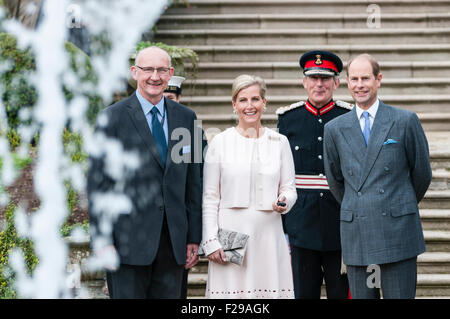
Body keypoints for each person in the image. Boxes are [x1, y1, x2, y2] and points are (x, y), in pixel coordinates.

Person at [87, 46, 202, 299]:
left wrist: (193, 237)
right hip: (125, 244)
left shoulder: (188, 119)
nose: (155, 76)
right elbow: (98, 185)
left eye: (161, 70)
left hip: (173, 245)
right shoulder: (111, 119)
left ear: (170, 73)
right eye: (147, 69)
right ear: (134, 72)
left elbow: (193, 182)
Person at [323, 53, 432, 299]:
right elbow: (335, 180)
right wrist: (362, 203)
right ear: (347, 83)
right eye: (354, 79)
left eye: (365, 78)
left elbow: (422, 173)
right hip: (358, 233)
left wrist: (396, 203)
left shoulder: (405, 121)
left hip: (398, 231)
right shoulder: (334, 129)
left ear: (378, 79)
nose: (359, 85)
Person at [201, 74, 297, 299]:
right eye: (243, 100)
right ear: (234, 104)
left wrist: (284, 201)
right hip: (230, 236)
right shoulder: (220, 142)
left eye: (255, 99)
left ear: (265, 102)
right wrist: (211, 240)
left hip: (269, 236)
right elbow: (210, 196)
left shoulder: (280, 142)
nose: (249, 105)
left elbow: (289, 188)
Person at [276, 50, 351, 299]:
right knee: (302, 293)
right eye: (314, 78)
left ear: (337, 82)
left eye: (326, 78)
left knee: (341, 293)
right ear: (304, 81)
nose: (319, 84)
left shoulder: (348, 117)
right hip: (301, 223)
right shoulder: (288, 119)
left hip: (339, 221)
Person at [163, 74, 207, 299]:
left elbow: (196, 180)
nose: (167, 101)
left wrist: (194, 233)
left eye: (171, 97)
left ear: (179, 99)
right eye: (163, 97)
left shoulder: (193, 130)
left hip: (178, 226)